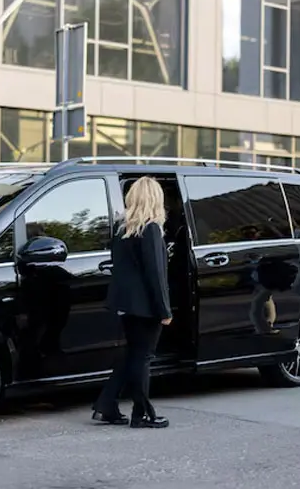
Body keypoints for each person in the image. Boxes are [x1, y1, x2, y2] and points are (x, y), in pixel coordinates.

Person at [92, 176, 172, 428]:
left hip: (125, 304)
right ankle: (143, 413)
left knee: (132, 355)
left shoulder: (122, 229)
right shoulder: (151, 229)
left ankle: (106, 406)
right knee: (143, 357)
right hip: (146, 306)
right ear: (155, 199)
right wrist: (165, 310)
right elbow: (155, 275)